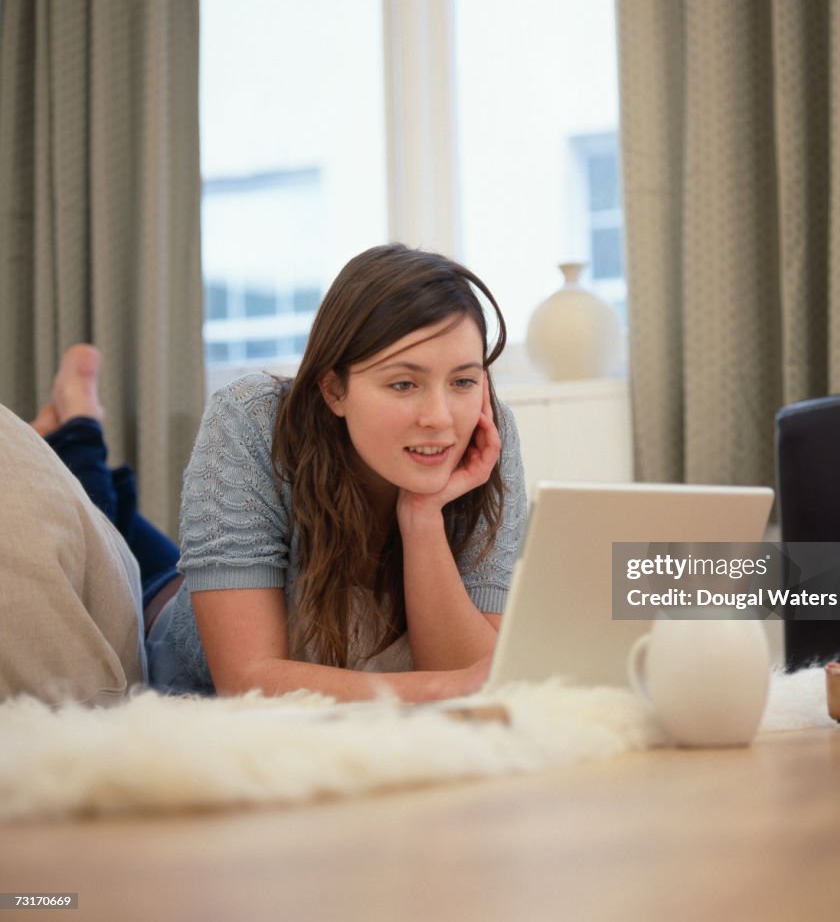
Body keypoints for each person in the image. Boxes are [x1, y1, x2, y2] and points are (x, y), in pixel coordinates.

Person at [147, 244, 528, 702]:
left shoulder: (487, 434)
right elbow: (243, 680)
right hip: (174, 625)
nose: (440, 418)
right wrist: (440, 687)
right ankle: (79, 429)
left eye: (463, 381)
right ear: (334, 390)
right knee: (118, 529)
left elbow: (472, 674)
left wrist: (422, 515)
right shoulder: (251, 421)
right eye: (403, 383)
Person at [0, 347, 150, 705]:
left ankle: (74, 431)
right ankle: (77, 428)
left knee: (104, 518)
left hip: (166, 592)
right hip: (174, 593)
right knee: (101, 520)